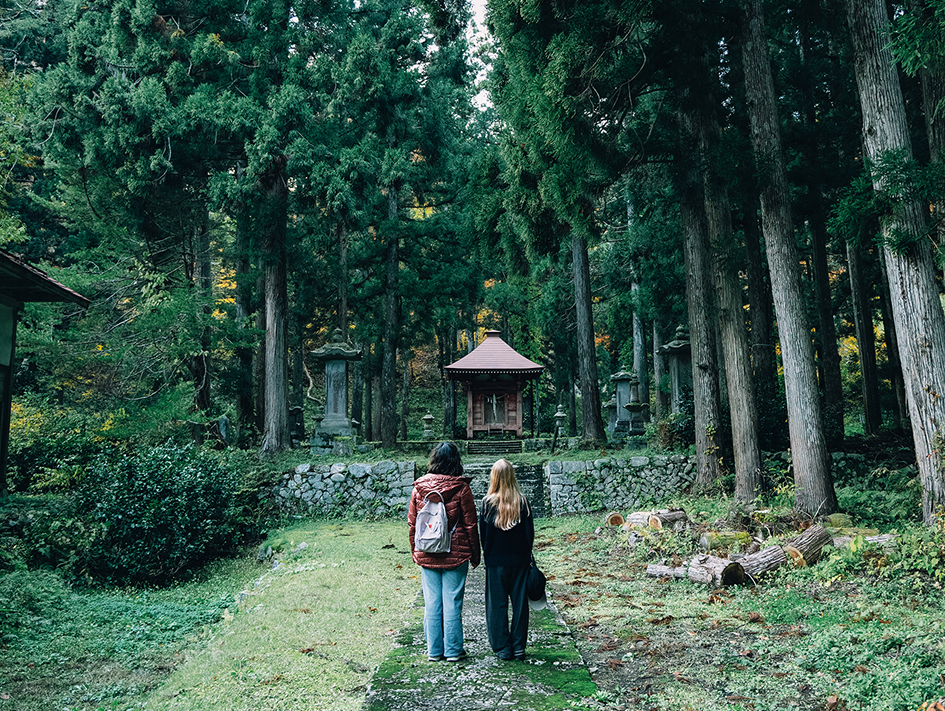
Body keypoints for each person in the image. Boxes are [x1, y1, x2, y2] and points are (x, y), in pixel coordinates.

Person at [407, 441, 480, 662]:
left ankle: (434, 651)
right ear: (455, 461)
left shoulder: (419, 487)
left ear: (434, 460)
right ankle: (453, 651)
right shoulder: (461, 488)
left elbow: (412, 524)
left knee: (431, 602)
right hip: (455, 554)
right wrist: (475, 554)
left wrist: (415, 550)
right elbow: (470, 525)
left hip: (427, 550)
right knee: (452, 601)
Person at [479, 458, 534, 661]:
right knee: (520, 604)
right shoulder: (523, 502)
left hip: (496, 561)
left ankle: (502, 646)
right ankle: (519, 645)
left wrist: (487, 556)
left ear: (494, 477)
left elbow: (483, 534)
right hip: (519, 560)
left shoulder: (487, 504)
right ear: (512, 477)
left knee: (496, 605)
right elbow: (530, 533)